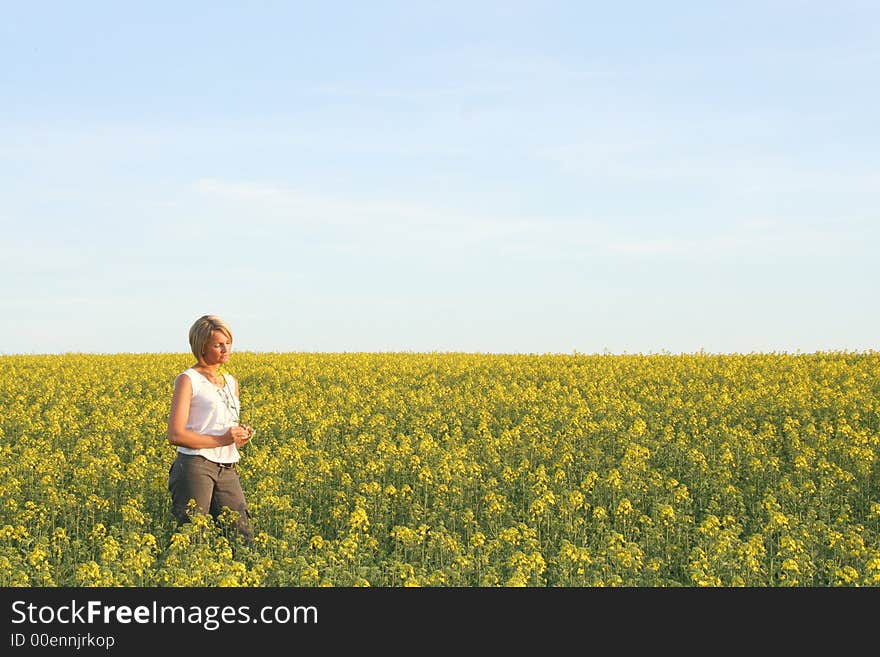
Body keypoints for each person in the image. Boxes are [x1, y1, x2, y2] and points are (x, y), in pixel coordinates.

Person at [166, 314, 255, 544]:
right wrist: (222, 439)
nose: (226, 349)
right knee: (193, 538)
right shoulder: (188, 379)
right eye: (218, 345)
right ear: (202, 346)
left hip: (227, 467)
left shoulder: (230, 381)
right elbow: (175, 434)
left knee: (242, 538)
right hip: (195, 466)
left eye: (228, 343)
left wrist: (238, 436)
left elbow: (222, 428)